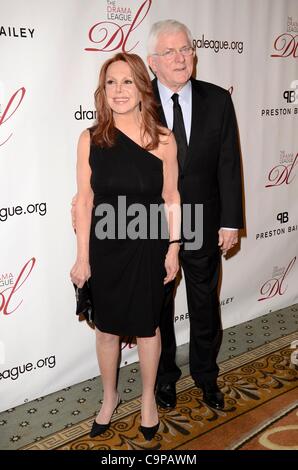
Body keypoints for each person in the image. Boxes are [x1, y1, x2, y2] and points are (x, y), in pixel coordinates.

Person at [70, 52, 180, 440]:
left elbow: (171, 197)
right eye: (111, 83)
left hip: (149, 246)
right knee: (107, 331)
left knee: (149, 329)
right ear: (104, 90)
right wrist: (82, 257)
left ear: (141, 87)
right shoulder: (91, 139)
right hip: (106, 247)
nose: (119, 90)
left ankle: (148, 399)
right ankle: (110, 396)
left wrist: (173, 247)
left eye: (128, 81)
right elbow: (83, 202)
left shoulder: (163, 140)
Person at [147, 20, 243, 411]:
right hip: (152, 224)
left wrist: (231, 220)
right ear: (153, 61)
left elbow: (229, 164)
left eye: (185, 48)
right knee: (159, 305)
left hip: (205, 219)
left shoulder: (218, 100)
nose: (180, 57)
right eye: (169, 52)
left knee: (204, 302)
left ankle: (206, 376)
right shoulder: (136, 102)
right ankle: (165, 378)